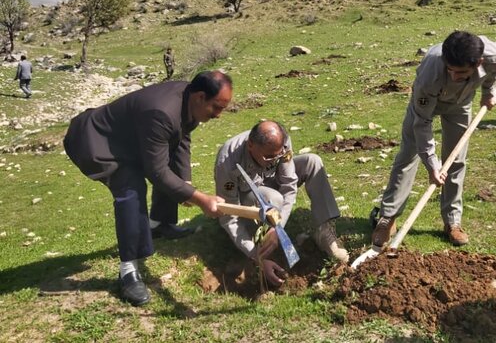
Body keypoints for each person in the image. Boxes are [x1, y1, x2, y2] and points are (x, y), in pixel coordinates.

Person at [63, 70, 232, 306]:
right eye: (217, 107)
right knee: (131, 189)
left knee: (170, 177)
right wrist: (200, 199)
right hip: (94, 141)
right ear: (201, 97)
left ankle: (160, 224)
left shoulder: (190, 100)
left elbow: (180, 139)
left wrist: (186, 182)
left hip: (125, 140)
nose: (219, 115)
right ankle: (128, 270)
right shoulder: (161, 111)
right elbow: (157, 173)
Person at [372, 31, 496, 248]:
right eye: (449, 69)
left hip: (461, 104)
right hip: (425, 105)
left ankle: (452, 221)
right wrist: (432, 165)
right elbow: (422, 123)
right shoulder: (429, 73)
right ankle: (388, 217)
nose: (453, 76)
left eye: (460, 72)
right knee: (408, 156)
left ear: (478, 62)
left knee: (456, 159)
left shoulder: (493, 56)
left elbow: (492, 73)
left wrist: (488, 93)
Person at [215, 121, 348, 286]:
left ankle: (324, 233)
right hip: (248, 197)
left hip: (272, 183)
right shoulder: (227, 161)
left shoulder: (282, 144)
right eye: (268, 157)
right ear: (250, 145)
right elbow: (229, 215)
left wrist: (278, 228)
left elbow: (289, 185)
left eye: (277, 156)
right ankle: (264, 243)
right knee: (275, 198)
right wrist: (255, 254)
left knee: (313, 162)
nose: (273, 161)